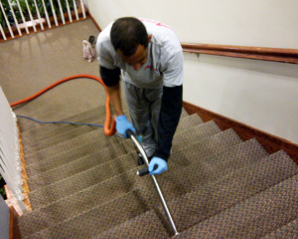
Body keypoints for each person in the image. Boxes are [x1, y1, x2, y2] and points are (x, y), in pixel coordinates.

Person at [96, 17, 183, 175]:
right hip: (130, 84)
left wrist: (163, 153)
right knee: (139, 120)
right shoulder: (104, 44)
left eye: (141, 59)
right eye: (129, 62)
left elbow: (172, 107)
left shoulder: (169, 49)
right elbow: (110, 80)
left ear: (148, 40)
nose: (136, 68)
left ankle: (158, 152)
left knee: (159, 119)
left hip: (158, 84)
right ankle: (147, 150)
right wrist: (120, 115)